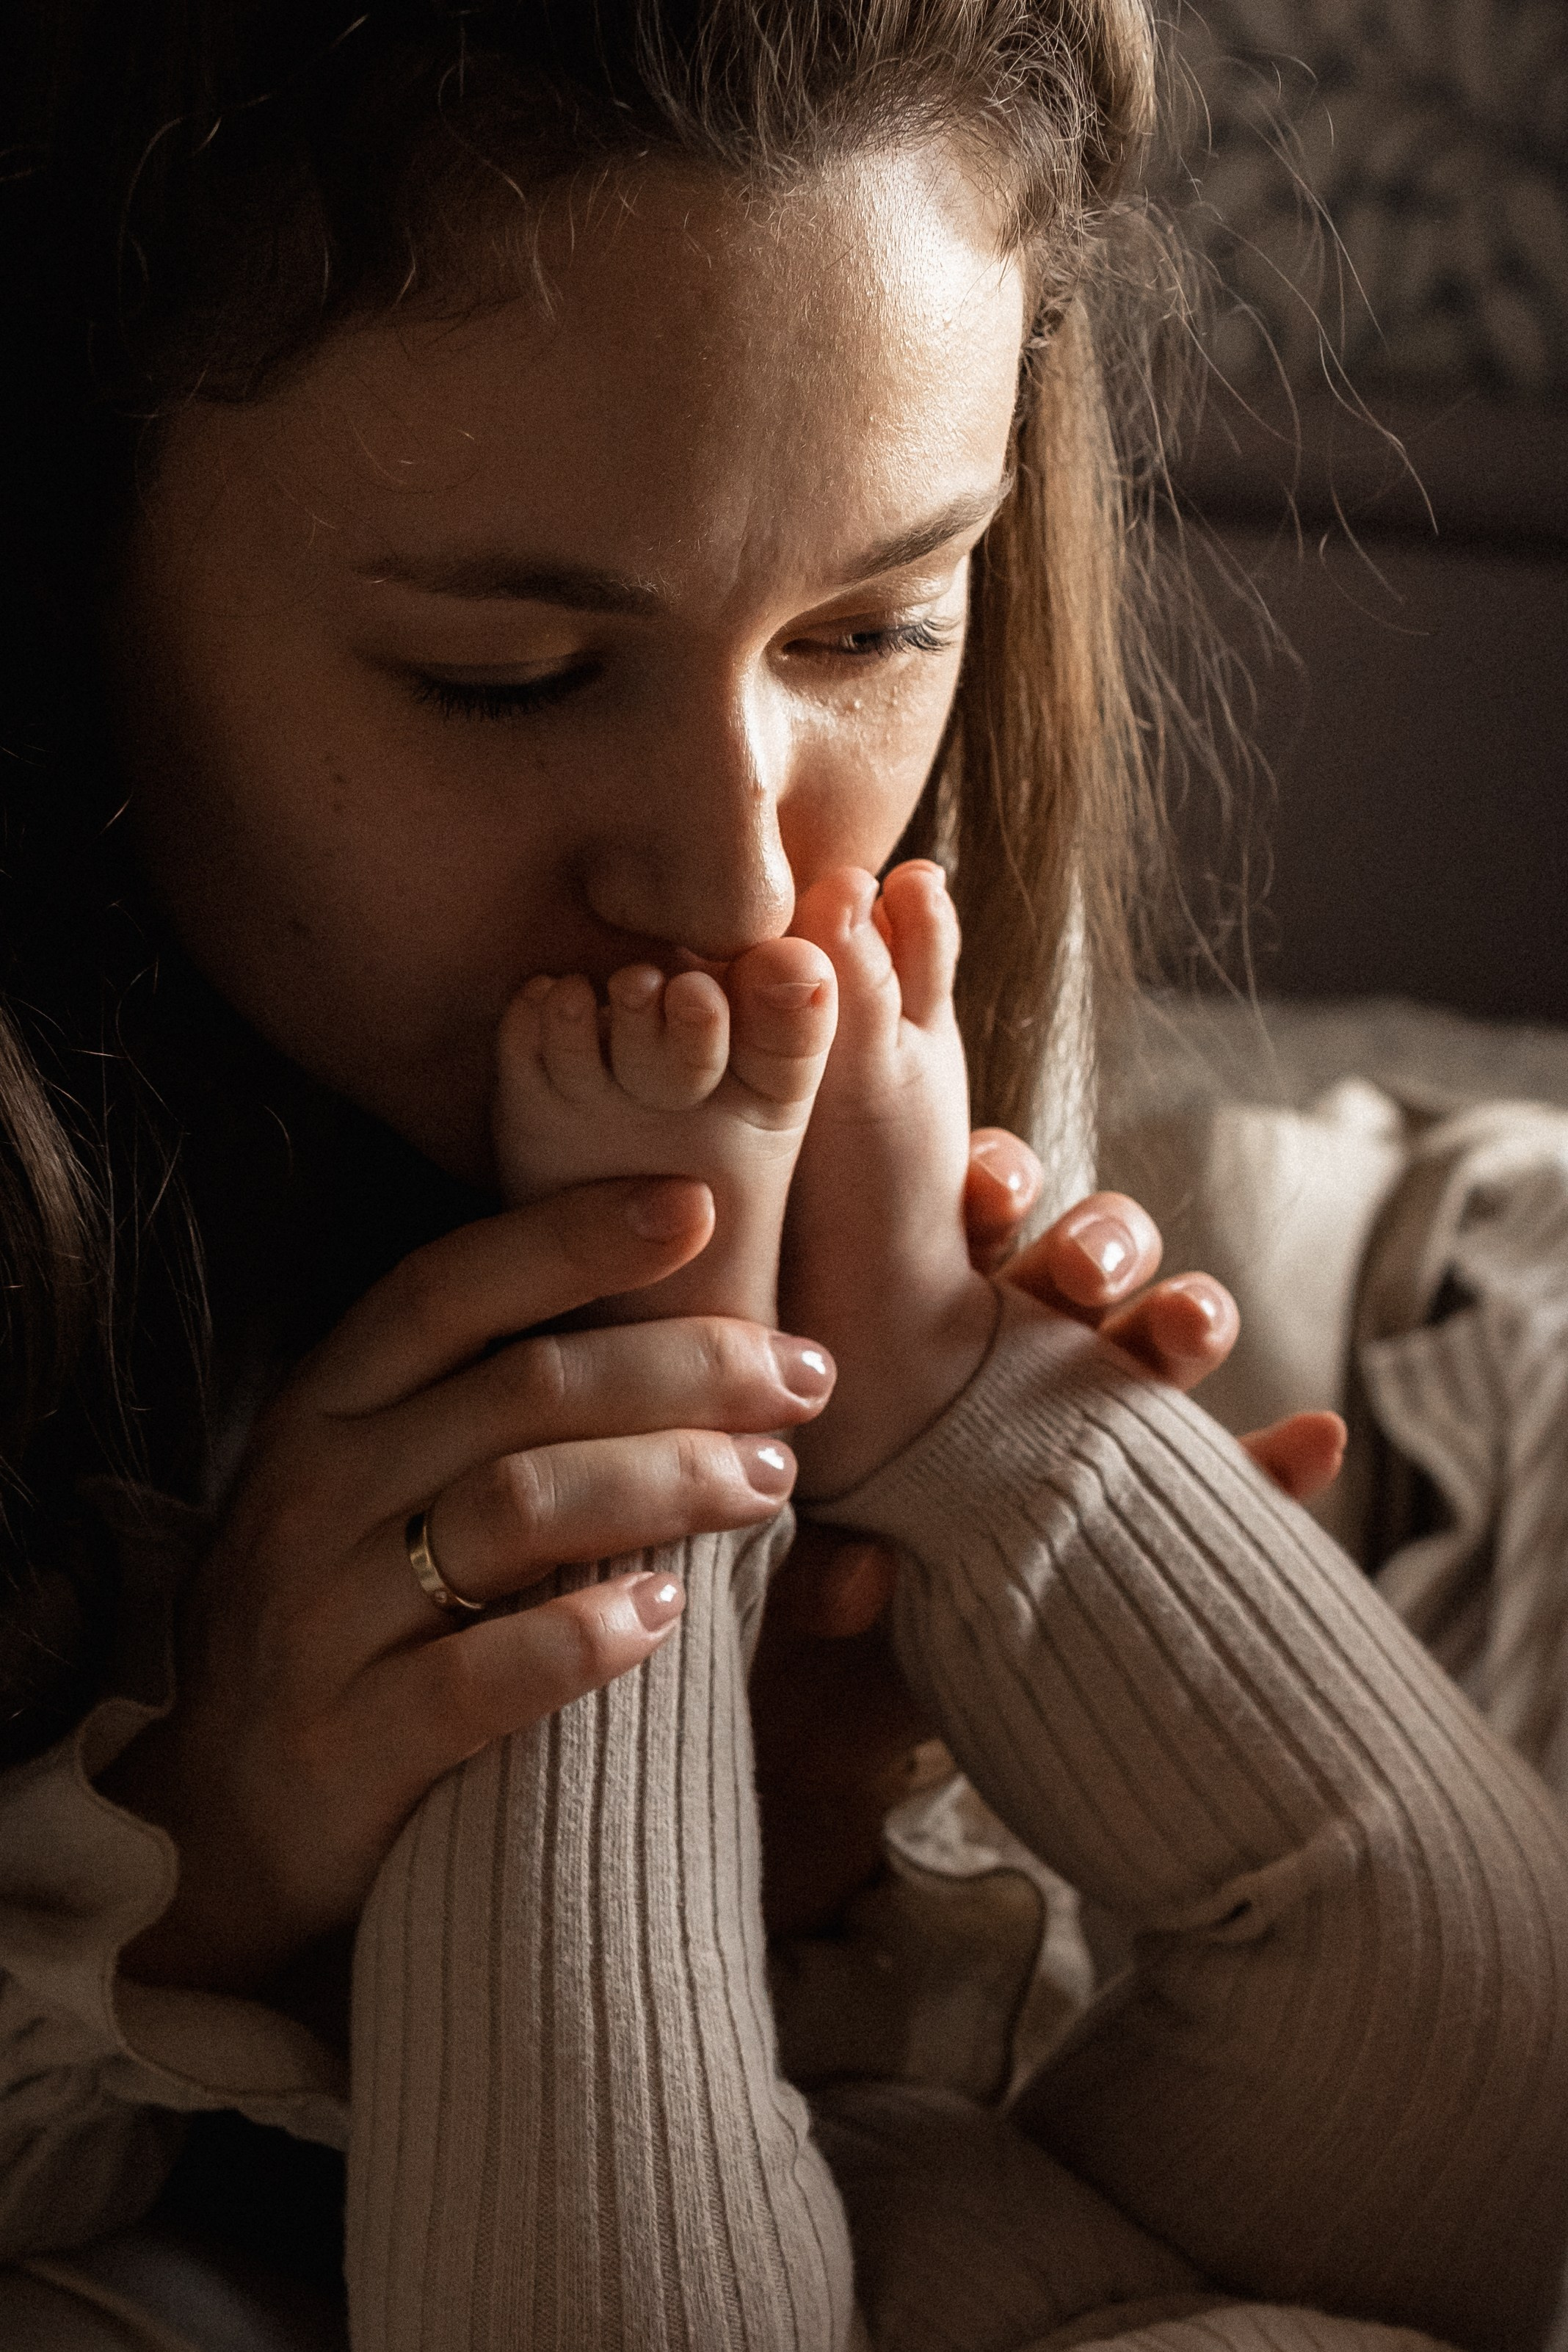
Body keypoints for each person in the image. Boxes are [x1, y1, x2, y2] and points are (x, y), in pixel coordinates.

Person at [0, 5, 1564, 2350]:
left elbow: (1460, 2106)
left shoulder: (883, 963)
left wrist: (957, 1613)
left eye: (873, 627)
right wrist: (201, 1857)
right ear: (67, 580)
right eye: (509, 673)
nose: (738, 878)